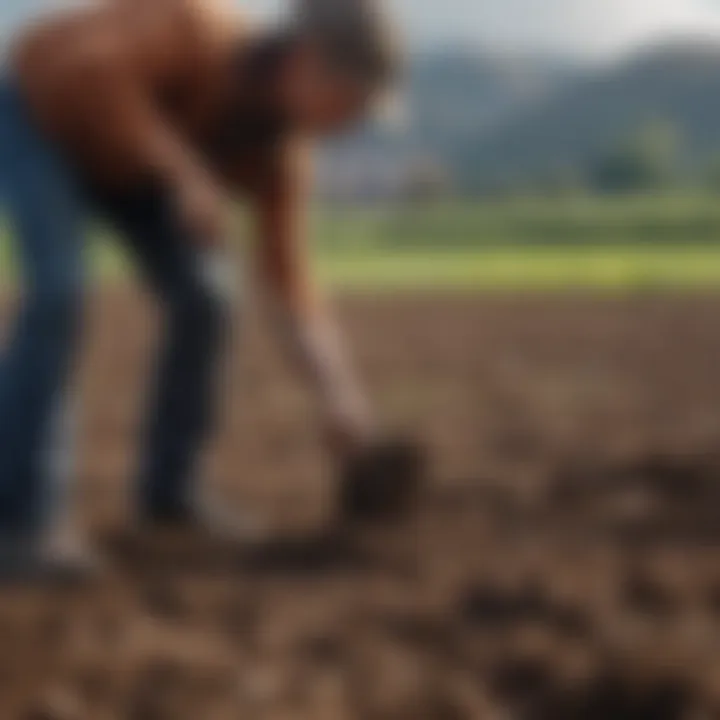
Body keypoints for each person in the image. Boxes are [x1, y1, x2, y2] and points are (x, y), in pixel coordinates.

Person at [0, 0, 402, 579]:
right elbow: (92, 73)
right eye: (350, 100)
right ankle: (19, 522)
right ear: (305, 61)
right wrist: (183, 172)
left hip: (130, 163)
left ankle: (170, 496)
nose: (351, 122)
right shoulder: (196, 27)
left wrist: (339, 394)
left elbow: (288, 281)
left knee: (208, 297)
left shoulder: (278, 153)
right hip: (40, 112)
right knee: (59, 287)